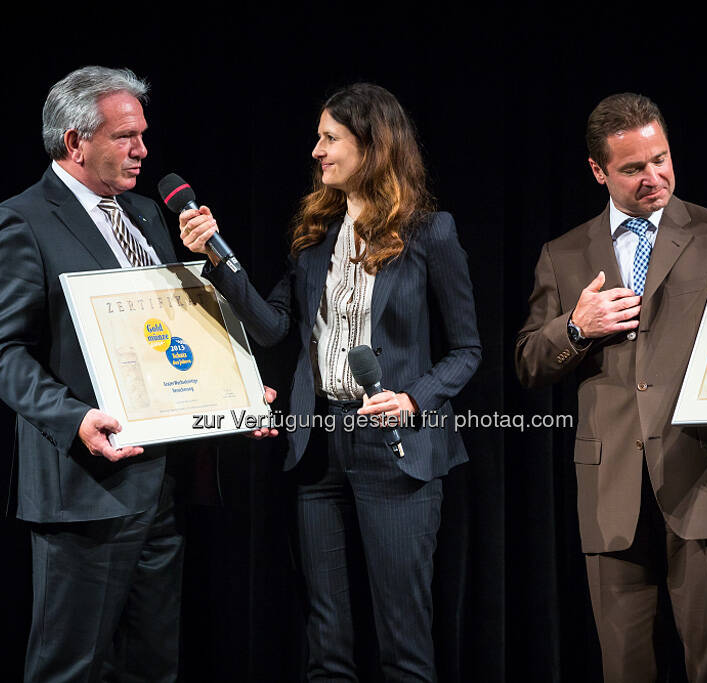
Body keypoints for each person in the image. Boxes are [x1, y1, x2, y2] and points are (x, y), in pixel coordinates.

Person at [0, 66, 275, 682]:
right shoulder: (21, 221)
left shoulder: (145, 213)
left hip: (159, 485)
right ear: (75, 142)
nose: (142, 150)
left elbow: (166, 334)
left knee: (153, 664)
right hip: (84, 489)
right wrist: (75, 418)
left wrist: (235, 393)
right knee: (72, 667)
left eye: (142, 135)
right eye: (124, 137)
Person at [178, 82, 481, 682]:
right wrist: (217, 254)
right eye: (318, 138)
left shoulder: (429, 232)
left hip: (396, 452)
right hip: (317, 450)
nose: (316, 150)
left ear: (372, 144)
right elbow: (270, 328)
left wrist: (413, 397)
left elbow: (469, 350)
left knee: (403, 643)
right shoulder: (317, 238)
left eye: (330, 138)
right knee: (327, 647)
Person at [515, 93, 707, 683]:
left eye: (660, 159)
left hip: (706, 476)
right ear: (598, 171)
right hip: (611, 488)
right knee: (623, 669)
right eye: (633, 168)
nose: (653, 177)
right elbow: (529, 363)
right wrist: (577, 327)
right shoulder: (563, 254)